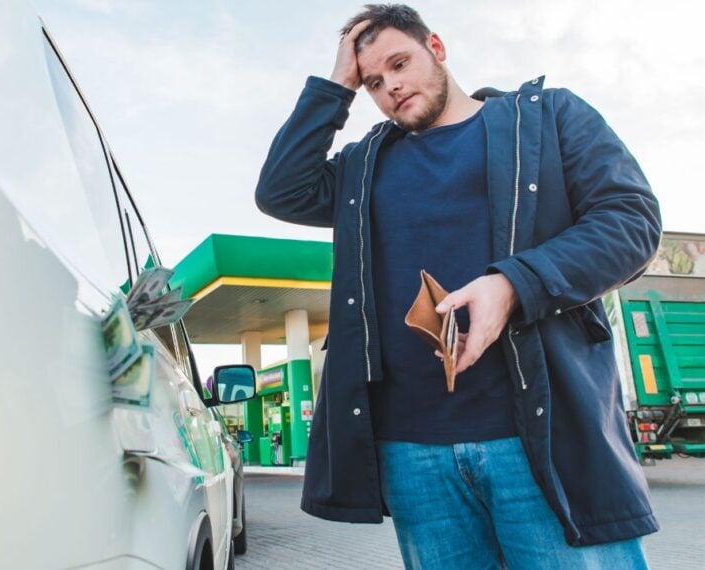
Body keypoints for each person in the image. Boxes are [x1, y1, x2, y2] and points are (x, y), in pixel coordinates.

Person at [254, 4, 661, 569]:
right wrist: (335, 83)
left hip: (541, 441)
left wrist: (515, 285)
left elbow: (630, 221)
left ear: (437, 48)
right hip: (414, 456)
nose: (391, 86)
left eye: (400, 62)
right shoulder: (362, 166)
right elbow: (281, 191)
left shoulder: (545, 120)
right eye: (373, 80)